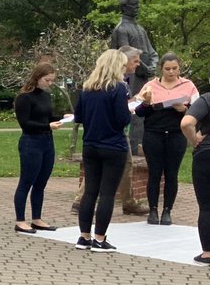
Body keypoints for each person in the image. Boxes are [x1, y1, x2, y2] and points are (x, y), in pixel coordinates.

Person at [72, 49, 132, 251]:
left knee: (90, 191)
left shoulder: (87, 89)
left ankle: (84, 236)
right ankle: (99, 238)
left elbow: (78, 117)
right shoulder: (118, 88)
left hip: (90, 145)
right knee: (107, 194)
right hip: (113, 146)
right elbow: (123, 119)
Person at [136, 53, 199, 225]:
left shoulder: (188, 86)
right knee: (154, 173)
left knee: (172, 174)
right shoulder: (150, 85)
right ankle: (153, 210)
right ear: (161, 69)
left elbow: (198, 112)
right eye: (167, 69)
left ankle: (167, 210)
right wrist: (147, 103)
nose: (171, 72)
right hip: (153, 133)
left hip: (176, 135)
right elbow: (139, 111)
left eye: (174, 69)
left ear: (179, 68)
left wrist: (184, 110)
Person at [12, 63, 66, 234]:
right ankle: (20, 220)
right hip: (31, 143)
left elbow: (47, 117)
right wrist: (48, 126)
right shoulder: (24, 98)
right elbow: (26, 123)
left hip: (47, 143)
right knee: (26, 181)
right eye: (47, 80)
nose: (49, 83)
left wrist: (62, 118)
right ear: (37, 77)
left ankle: (37, 218)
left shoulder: (45, 96)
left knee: (41, 183)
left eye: (52, 80)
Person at [182, 57, 210, 266]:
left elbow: (186, 122)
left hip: (208, 155)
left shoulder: (207, 100)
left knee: (208, 207)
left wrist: (194, 140)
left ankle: (207, 253)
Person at [110, 0, 157, 155]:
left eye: (137, 5)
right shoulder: (121, 29)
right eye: (133, 5)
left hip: (143, 77)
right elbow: (126, 55)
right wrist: (143, 68)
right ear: (124, 7)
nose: (136, 8)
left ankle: (140, 146)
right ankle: (133, 148)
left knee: (142, 112)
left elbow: (152, 51)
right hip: (131, 77)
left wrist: (151, 66)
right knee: (133, 111)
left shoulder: (140, 29)